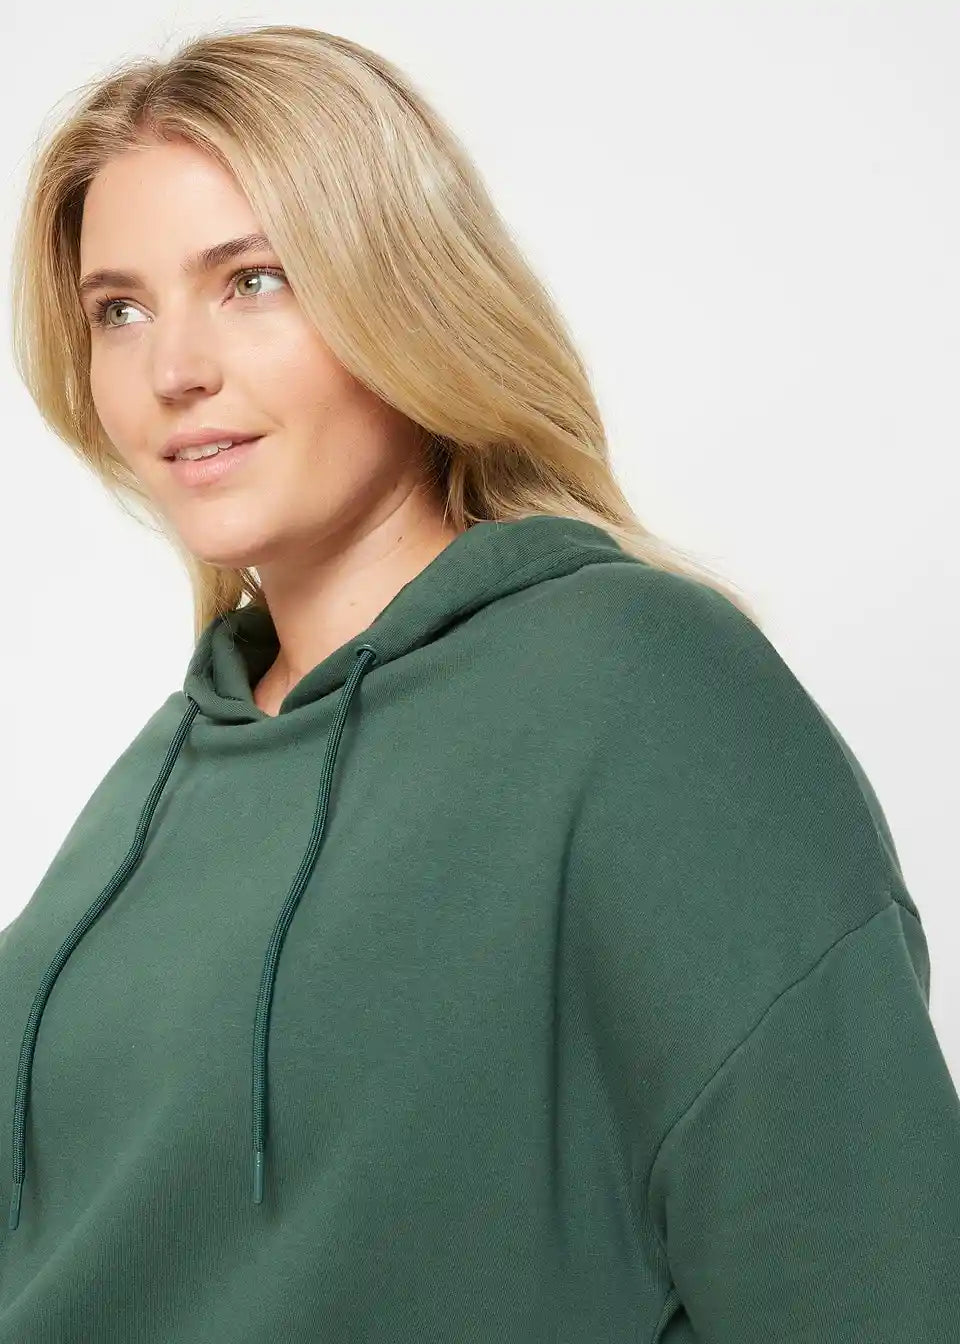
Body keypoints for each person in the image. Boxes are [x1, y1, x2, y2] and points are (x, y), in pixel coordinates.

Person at [2, 23, 958, 1344]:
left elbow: (868, 1275)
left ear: (403, 291)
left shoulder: (643, 693)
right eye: (120, 309)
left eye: (255, 280)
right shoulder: (162, 778)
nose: (174, 371)